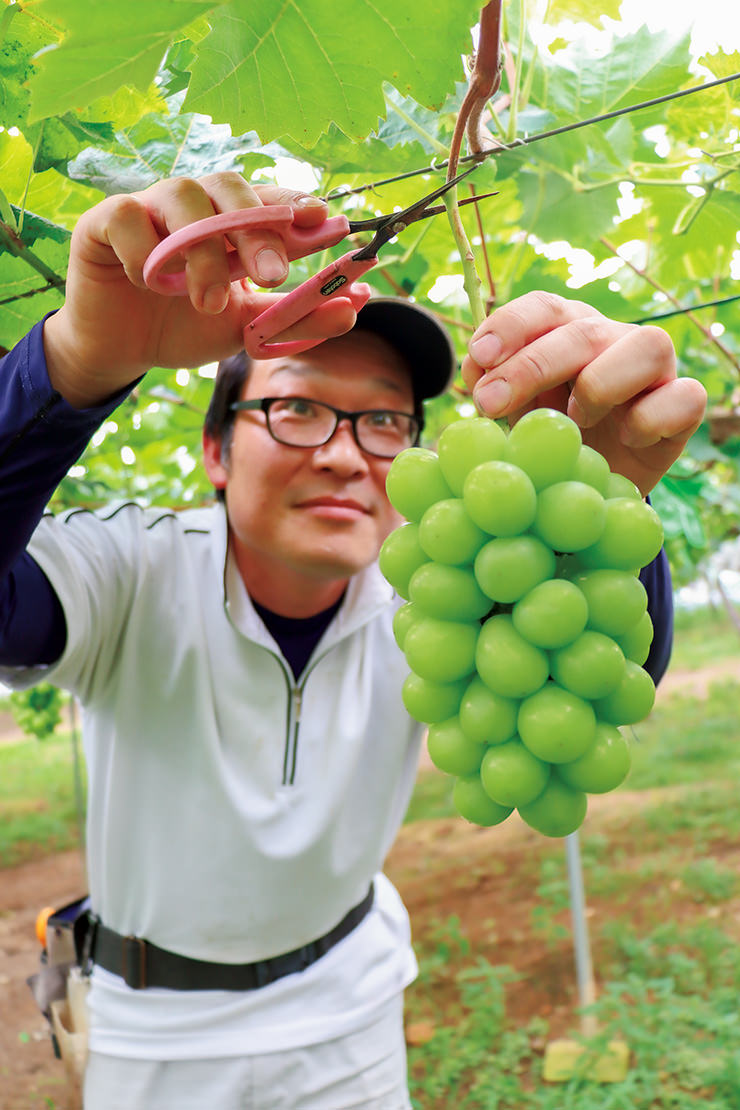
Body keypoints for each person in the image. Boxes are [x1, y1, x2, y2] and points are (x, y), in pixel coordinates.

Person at [0, 172, 706, 1109]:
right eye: (295, 408)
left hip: (354, 1008)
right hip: (154, 1035)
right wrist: (69, 371)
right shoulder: (126, 569)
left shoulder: (437, 593)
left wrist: (586, 518)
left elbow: (590, 685)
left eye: (383, 422)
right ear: (215, 450)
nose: (342, 450)